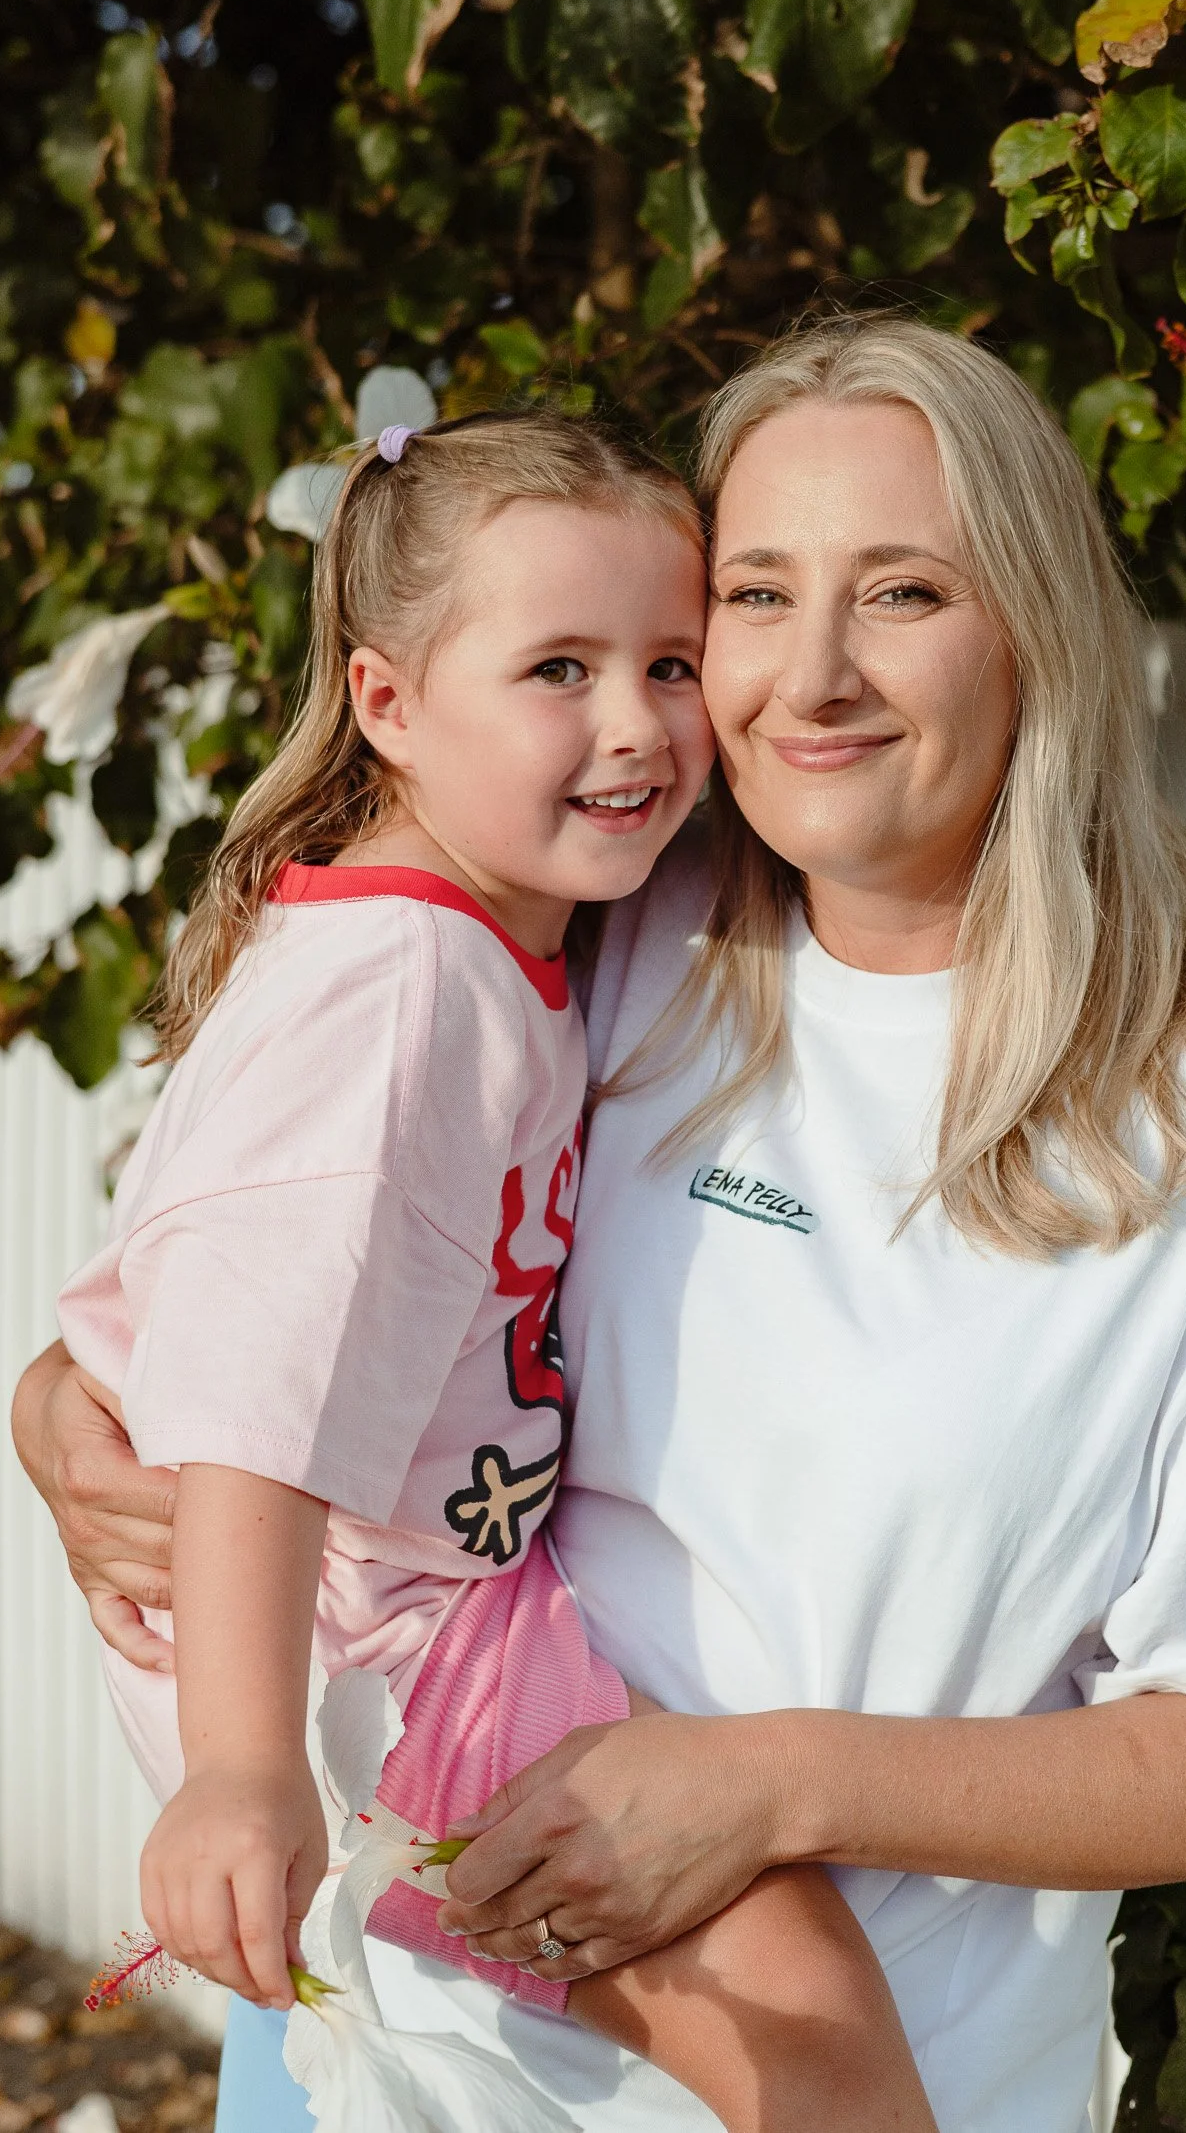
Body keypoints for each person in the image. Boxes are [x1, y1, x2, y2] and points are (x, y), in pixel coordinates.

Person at [17, 319, 1186, 2133]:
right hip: (377, 2055)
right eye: (753, 594)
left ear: (1034, 627)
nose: (811, 675)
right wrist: (66, 1411)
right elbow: (281, 1245)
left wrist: (776, 1784)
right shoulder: (607, 926)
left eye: (901, 592)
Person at [47, 405, 946, 2133]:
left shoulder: (492, 937)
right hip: (371, 1656)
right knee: (808, 2021)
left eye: (670, 663)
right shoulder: (400, 1001)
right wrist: (242, 1765)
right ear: (387, 704)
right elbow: (253, 1405)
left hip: (410, 1609)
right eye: (557, 670)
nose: (635, 725)